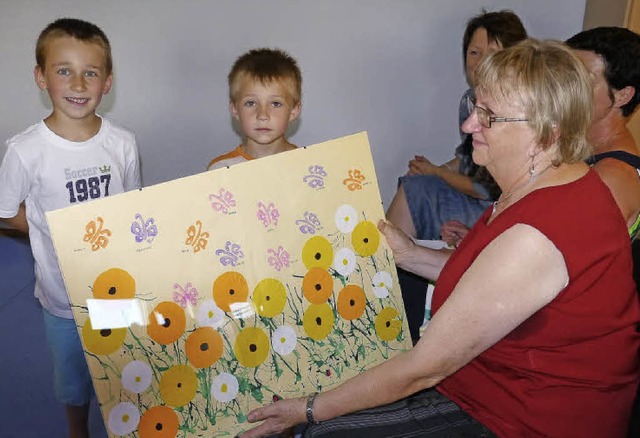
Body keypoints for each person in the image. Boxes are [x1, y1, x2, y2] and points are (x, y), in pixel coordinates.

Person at [239, 40, 640, 438]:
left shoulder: (539, 233)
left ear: (547, 133)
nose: (468, 126)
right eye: (474, 107)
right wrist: (408, 252)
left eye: (488, 116)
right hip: (490, 389)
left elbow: (425, 367)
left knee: (320, 430)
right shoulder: (544, 181)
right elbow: (492, 283)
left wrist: (308, 409)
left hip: (525, 419)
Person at [0, 18, 141, 437]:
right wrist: (44, 228)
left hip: (115, 285)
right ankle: (77, 429)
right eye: (64, 70)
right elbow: (5, 211)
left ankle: (130, 421)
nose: (78, 83)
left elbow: (131, 206)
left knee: (123, 364)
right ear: (41, 77)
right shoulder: (25, 151)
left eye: (90, 72)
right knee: (72, 379)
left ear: (107, 82)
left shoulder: (122, 143)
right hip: (60, 295)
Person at [385, 9, 526, 241]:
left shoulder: (517, 108)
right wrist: (432, 169)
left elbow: (487, 190)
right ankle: (394, 266)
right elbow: (466, 159)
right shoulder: (469, 100)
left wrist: (437, 173)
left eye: (492, 53)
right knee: (418, 183)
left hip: (502, 210)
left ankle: (387, 268)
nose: (480, 62)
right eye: (474, 52)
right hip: (482, 199)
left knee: (416, 190)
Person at [207, 48, 302, 170]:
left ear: (294, 111)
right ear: (235, 109)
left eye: (276, 104)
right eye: (251, 103)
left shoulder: (308, 166)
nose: (262, 115)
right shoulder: (219, 170)